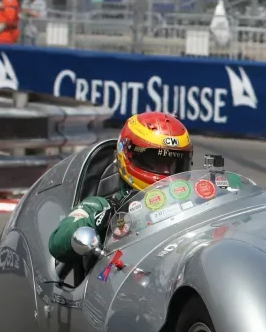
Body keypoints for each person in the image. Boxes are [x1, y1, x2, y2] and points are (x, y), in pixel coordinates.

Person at [48, 112, 194, 272]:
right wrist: (103, 219)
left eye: (175, 163)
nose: (166, 171)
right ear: (128, 155)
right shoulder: (102, 206)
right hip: (120, 281)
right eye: (156, 161)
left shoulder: (195, 200)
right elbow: (57, 243)